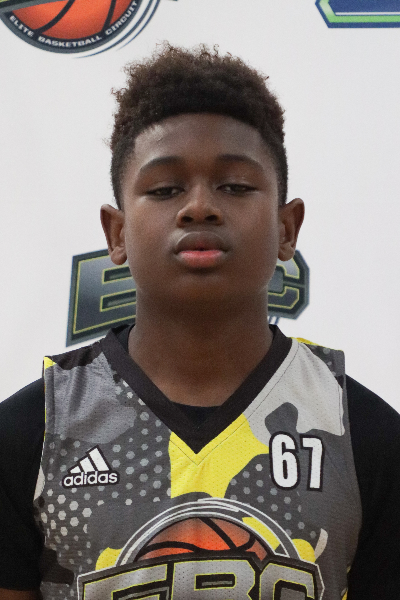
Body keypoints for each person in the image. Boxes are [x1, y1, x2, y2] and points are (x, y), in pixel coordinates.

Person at [0, 44, 399, 600]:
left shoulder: (364, 436)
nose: (199, 208)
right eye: (165, 189)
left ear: (288, 228)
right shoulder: (31, 434)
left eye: (234, 186)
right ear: (117, 233)